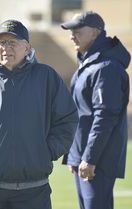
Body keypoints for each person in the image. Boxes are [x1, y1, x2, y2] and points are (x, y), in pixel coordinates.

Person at [0, 19, 78, 209]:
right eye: (2, 42)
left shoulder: (47, 77)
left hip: (34, 190)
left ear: (27, 48)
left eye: (13, 42)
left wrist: (47, 152)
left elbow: (67, 119)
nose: (6, 48)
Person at [61, 11, 130, 209]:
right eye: (70, 31)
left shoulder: (105, 68)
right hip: (85, 159)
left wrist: (89, 158)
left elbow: (104, 116)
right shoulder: (89, 64)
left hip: (97, 161)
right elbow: (82, 114)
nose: (71, 35)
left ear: (94, 33)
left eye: (77, 31)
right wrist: (75, 155)